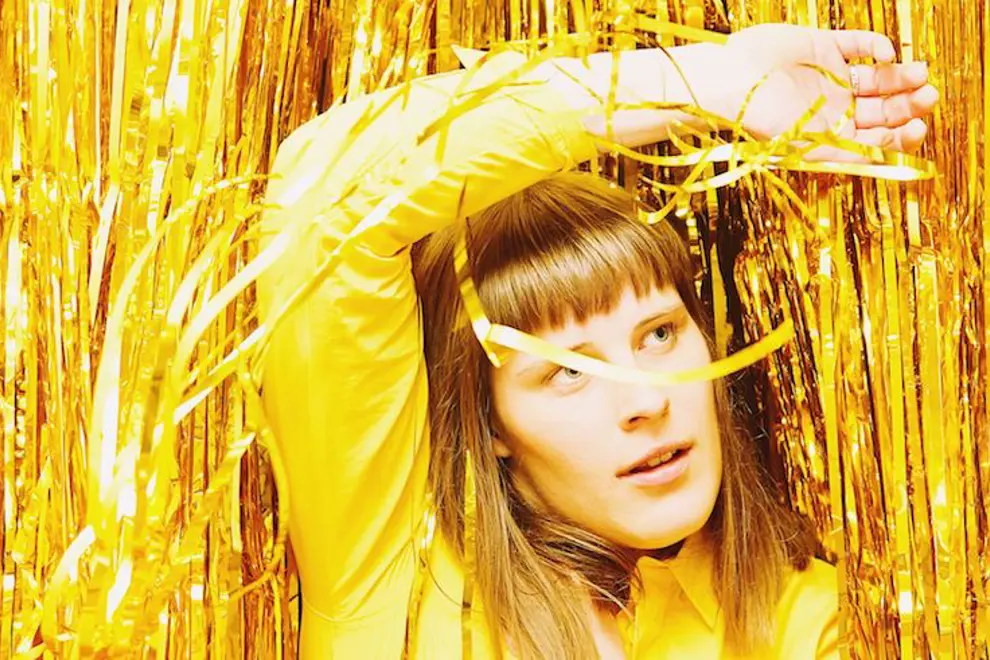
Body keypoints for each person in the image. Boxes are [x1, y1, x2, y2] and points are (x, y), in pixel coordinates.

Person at [260, 23, 937, 659]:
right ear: (491, 424)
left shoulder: (808, 620)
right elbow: (326, 194)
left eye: (659, 335)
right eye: (568, 371)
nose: (648, 400)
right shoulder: (399, 584)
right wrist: (707, 82)